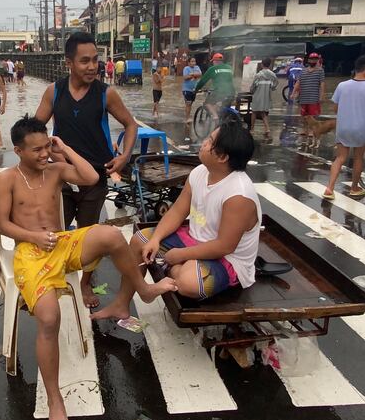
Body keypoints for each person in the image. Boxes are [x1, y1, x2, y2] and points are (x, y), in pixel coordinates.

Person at [0, 117, 175, 420]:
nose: (42, 155)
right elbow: (2, 224)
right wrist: (33, 237)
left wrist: (64, 148)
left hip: (62, 243)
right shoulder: (6, 179)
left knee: (112, 236)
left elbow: (91, 177)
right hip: (31, 253)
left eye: (45, 146)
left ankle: (141, 290)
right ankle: (55, 401)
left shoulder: (55, 170)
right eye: (35, 150)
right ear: (18, 150)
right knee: (49, 319)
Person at [92, 113, 259, 320]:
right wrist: (156, 239)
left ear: (222, 157)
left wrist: (180, 255)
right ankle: (121, 304)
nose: (204, 143)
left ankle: (178, 268)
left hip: (226, 258)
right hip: (194, 239)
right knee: (139, 241)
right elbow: (178, 211)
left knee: (189, 282)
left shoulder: (238, 194)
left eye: (210, 142)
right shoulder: (199, 172)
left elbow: (225, 246)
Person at [35, 32, 138, 308]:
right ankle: (52, 277)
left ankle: (84, 282)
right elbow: (35, 130)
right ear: (69, 62)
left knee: (89, 231)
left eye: (95, 60)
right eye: (85, 61)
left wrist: (124, 156)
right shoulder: (53, 92)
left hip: (95, 175)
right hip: (62, 176)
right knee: (53, 230)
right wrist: (44, 153)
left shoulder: (107, 94)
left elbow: (131, 125)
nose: (92, 66)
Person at [323, 55, 365, 199]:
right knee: (358, 158)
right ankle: (354, 187)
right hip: (361, 127)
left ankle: (330, 188)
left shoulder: (342, 85)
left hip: (343, 127)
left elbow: (335, 109)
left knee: (340, 157)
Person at [292, 52, 325, 136]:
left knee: (313, 116)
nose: (313, 61)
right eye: (312, 59)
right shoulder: (303, 71)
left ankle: (311, 131)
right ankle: (304, 130)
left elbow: (322, 84)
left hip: (314, 98)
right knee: (304, 116)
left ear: (317, 60)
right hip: (303, 97)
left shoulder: (320, 71)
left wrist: (321, 96)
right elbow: (298, 82)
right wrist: (293, 93)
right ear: (309, 60)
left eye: (315, 59)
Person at [194, 53, 235, 118]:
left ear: (215, 61)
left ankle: (216, 117)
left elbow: (202, 81)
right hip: (232, 93)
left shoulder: (213, 69)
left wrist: (196, 90)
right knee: (221, 106)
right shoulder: (229, 68)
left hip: (219, 92)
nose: (213, 63)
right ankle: (222, 122)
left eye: (213, 61)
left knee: (207, 103)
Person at [249, 57, 278, 136]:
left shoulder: (258, 75)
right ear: (270, 65)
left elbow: (253, 86)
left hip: (257, 96)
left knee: (254, 112)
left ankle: (252, 128)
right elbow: (275, 84)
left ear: (262, 64)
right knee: (263, 113)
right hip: (266, 97)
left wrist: (251, 91)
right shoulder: (273, 75)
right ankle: (267, 128)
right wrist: (271, 88)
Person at [181, 57, 202, 122]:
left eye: (194, 61)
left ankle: (188, 116)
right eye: (192, 61)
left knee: (191, 104)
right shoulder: (186, 68)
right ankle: (187, 118)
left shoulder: (197, 67)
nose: (194, 63)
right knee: (188, 104)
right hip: (186, 89)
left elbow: (200, 74)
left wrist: (192, 74)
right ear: (189, 63)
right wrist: (195, 75)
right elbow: (185, 77)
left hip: (194, 90)